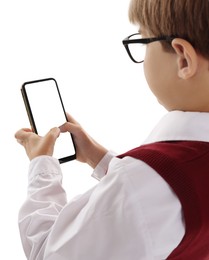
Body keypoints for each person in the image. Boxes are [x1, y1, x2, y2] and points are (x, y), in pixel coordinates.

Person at [15, 0, 209, 259]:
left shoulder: (141, 181)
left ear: (183, 58)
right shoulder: (157, 176)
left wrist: (41, 166)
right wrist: (100, 158)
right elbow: (163, 211)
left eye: (142, 41)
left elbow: (47, 253)